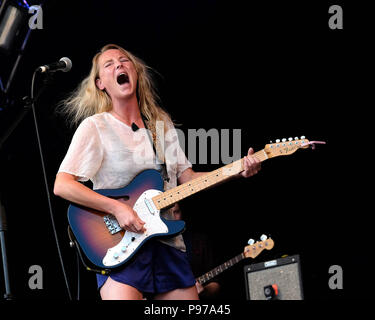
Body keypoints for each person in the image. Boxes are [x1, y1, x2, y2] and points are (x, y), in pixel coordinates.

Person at [53, 44, 261, 300]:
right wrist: (117, 208)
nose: (119, 65)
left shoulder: (161, 124)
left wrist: (237, 170)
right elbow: (63, 185)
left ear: (135, 72)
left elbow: (188, 180)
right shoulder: (95, 127)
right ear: (100, 84)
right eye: (109, 64)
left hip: (168, 242)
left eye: (124, 61)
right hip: (121, 245)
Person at [172, 203, 221, 299]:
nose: (173, 217)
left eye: (176, 212)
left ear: (182, 212)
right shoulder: (153, 245)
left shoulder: (199, 241)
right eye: (168, 214)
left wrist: (204, 290)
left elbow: (216, 283)